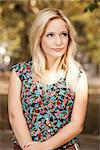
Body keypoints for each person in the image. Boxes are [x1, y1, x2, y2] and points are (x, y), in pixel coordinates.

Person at [8, 8, 88, 150]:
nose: (58, 41)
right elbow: (15, 116)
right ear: (39, 38)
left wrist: (45, 147)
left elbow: (77, 124)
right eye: (50, 35)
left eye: (63, 34)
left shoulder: (78, 75)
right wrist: (30, 148)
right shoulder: (19, 73)